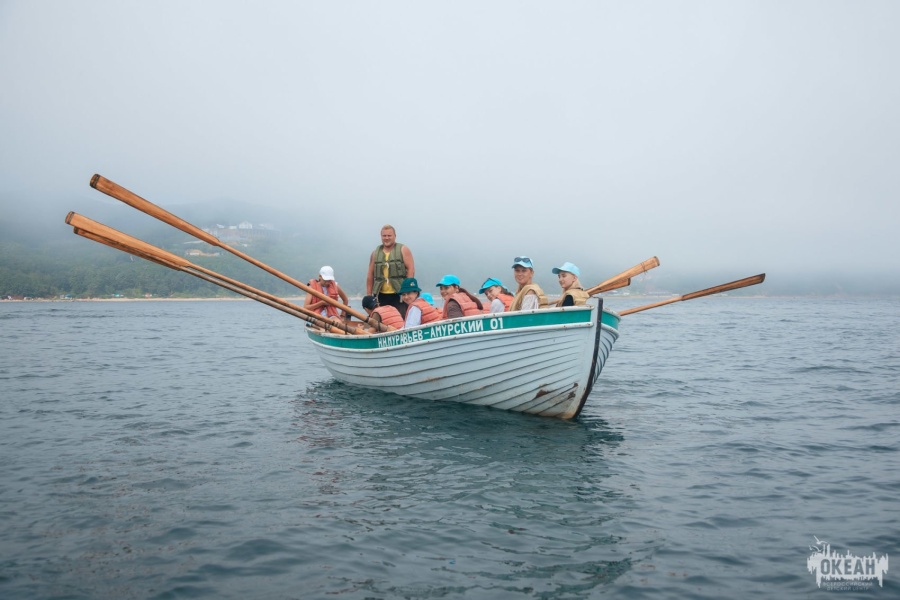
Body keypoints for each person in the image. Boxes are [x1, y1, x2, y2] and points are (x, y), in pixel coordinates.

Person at [366, 224, 415, 318]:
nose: (386, 238)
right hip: (381, 295)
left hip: (399, 294)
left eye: (389, 235)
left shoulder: (403, 250)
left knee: (401, 318)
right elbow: (370, 274)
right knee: (381, 319)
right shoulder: (375, 253)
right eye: (384, 236)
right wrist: (368, 295)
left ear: (395, 236)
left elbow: (411, 269)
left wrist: (408, 290)